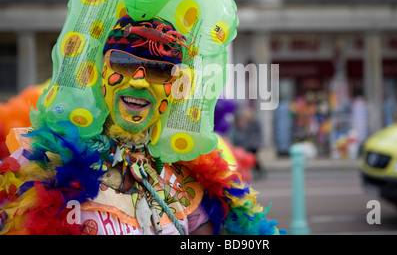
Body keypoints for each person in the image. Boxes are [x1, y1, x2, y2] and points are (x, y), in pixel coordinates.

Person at [0, 15, 280, 235]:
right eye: (123, 62)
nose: (138, 80)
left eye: (160, 70)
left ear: (174, 88)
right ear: (101, 73)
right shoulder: (47, 163)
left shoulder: (183, 170)